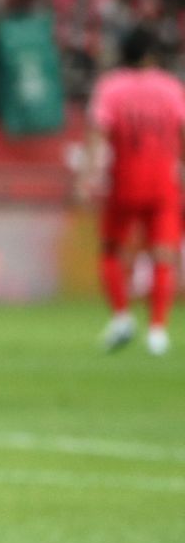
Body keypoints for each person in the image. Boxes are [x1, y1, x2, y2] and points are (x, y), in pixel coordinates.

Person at [83, 27, 185, 355]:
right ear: (153, 55)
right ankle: (157, 330)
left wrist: (89, 175)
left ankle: (122, 317)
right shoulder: (172, 88)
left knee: (111, 250)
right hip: (163, 183)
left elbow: (99, 132)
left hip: (124, 181)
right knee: (163, 256)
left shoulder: (111, 87)